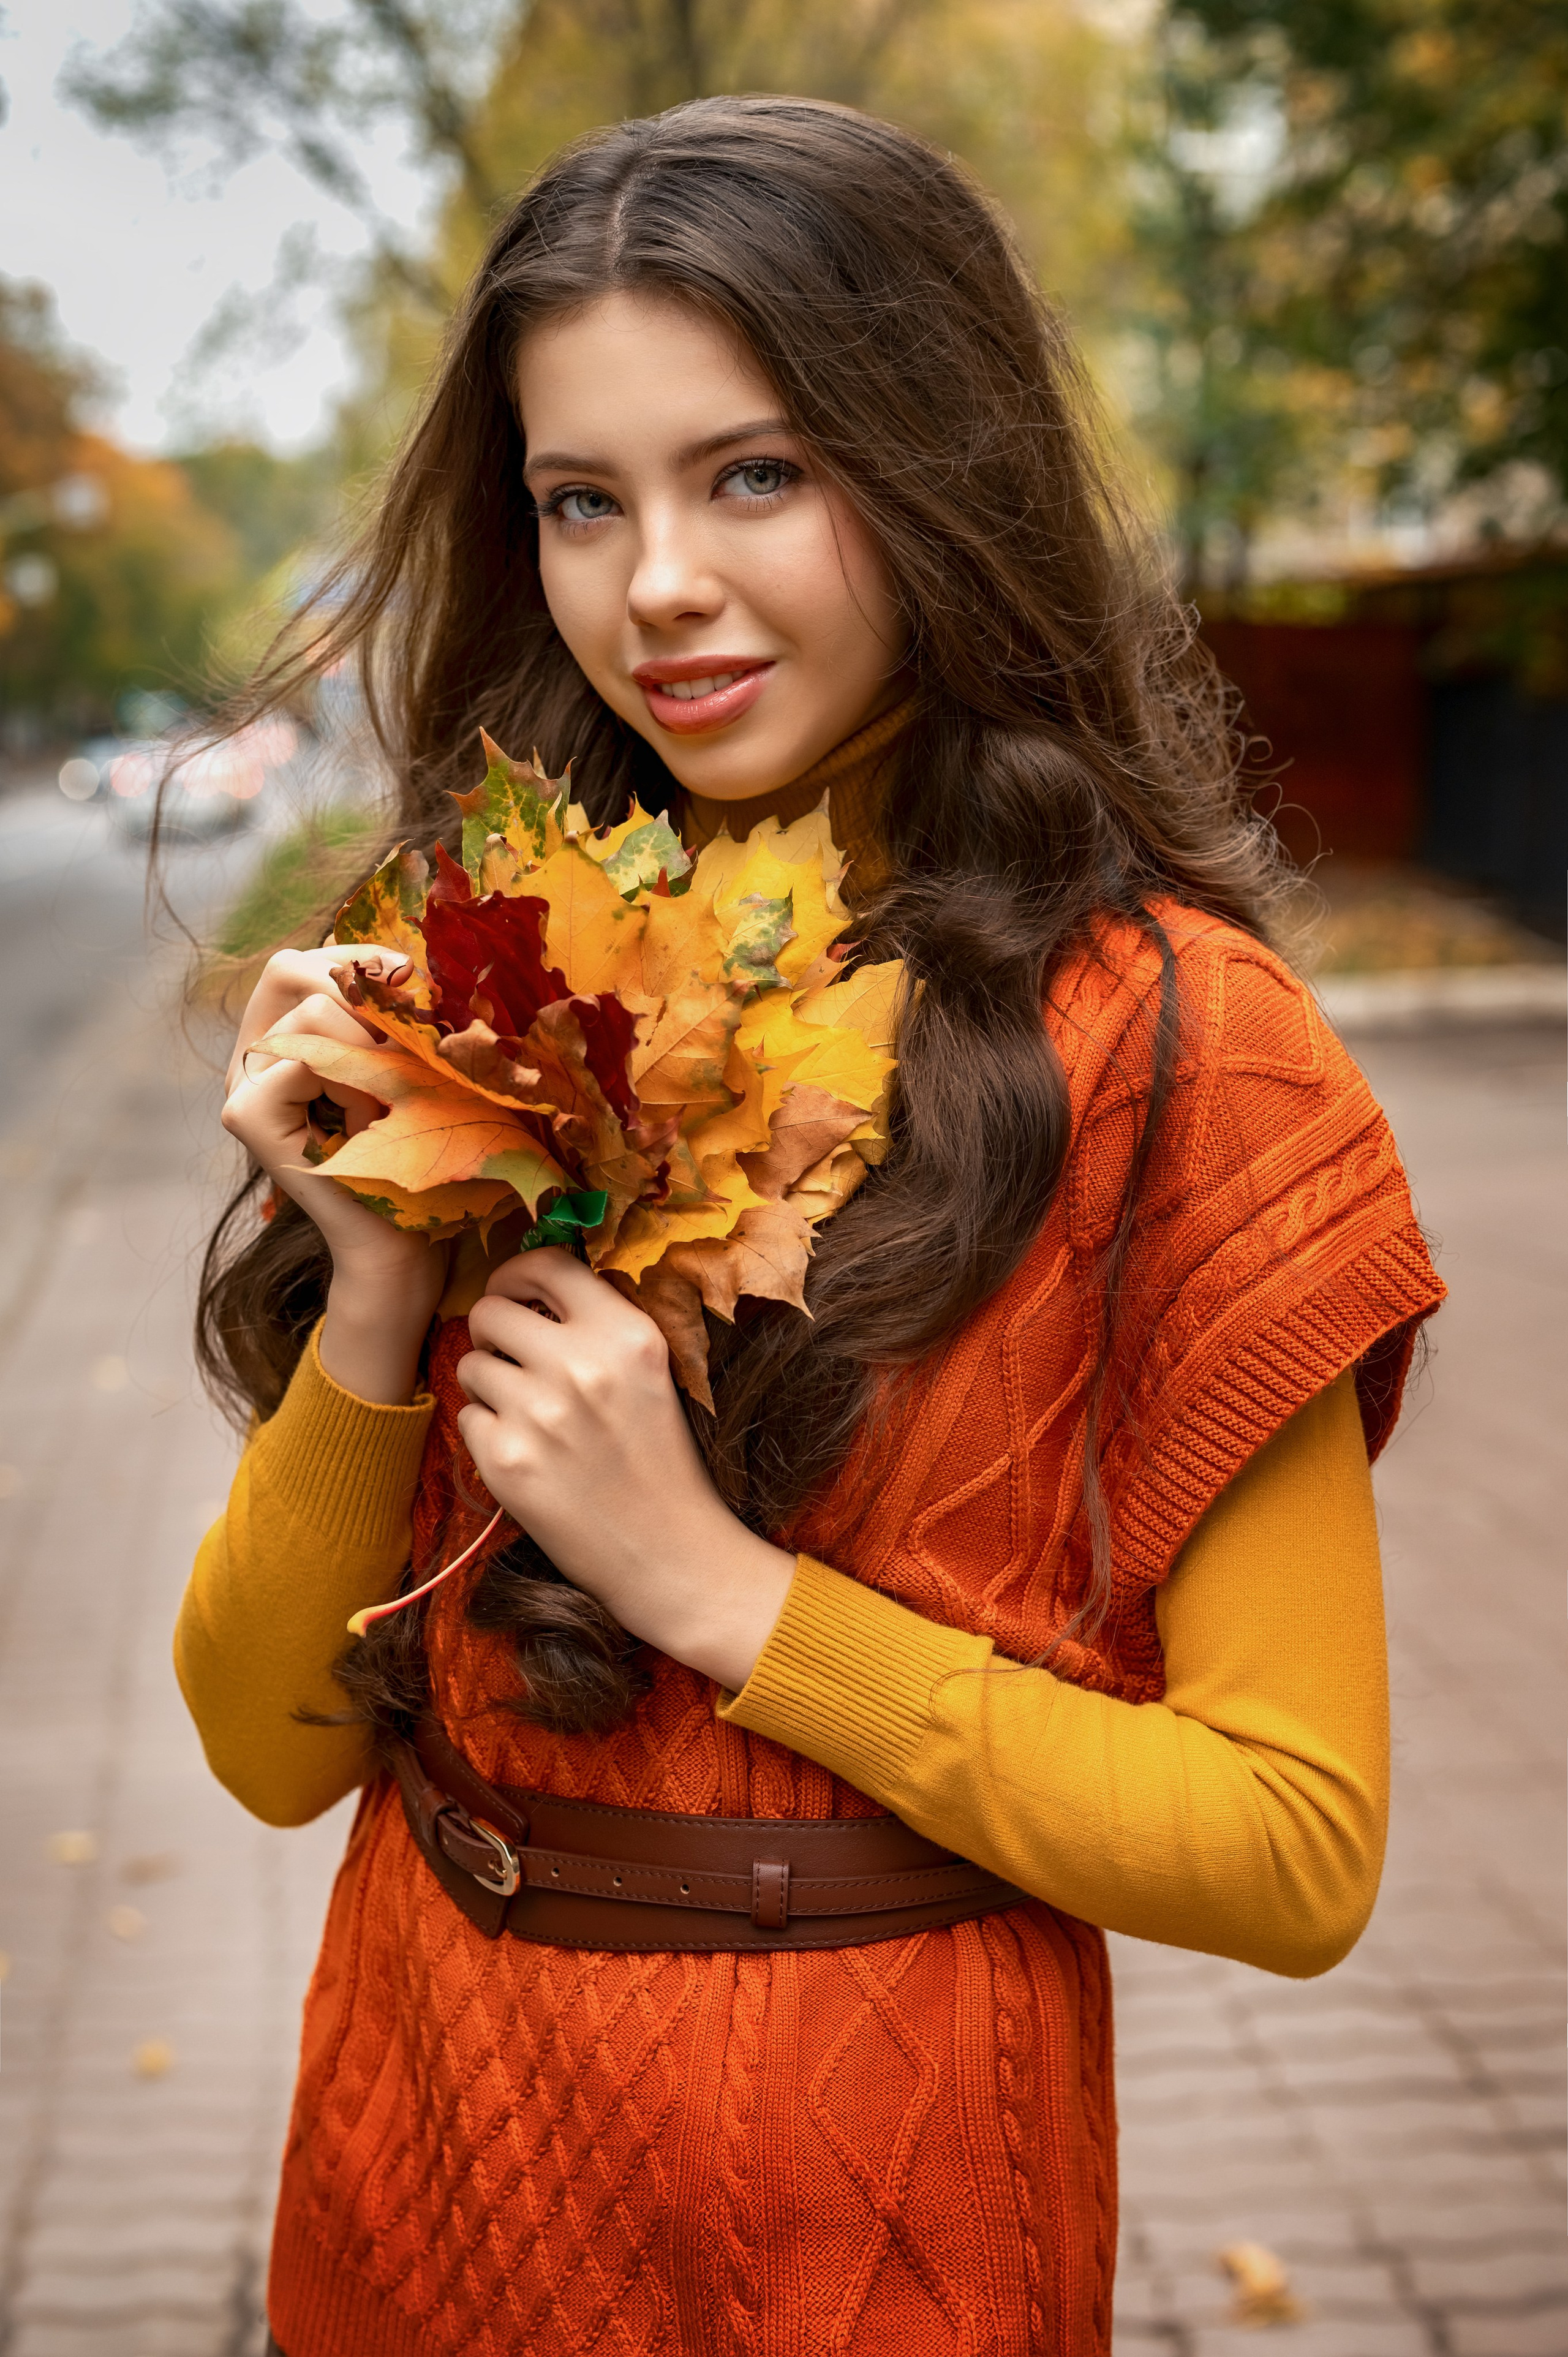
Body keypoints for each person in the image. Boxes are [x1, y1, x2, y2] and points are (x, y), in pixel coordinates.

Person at [175, 96, 1444, 2357]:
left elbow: (1293, 1844)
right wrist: (376, 1278)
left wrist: (728, 1597)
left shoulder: (1173, 1044)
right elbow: (271, 1752)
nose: (653, 579)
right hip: (417, 2149)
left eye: (753, 472)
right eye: (583, 498)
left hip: (856, 2226)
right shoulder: (494, 955)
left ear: (937, 465)